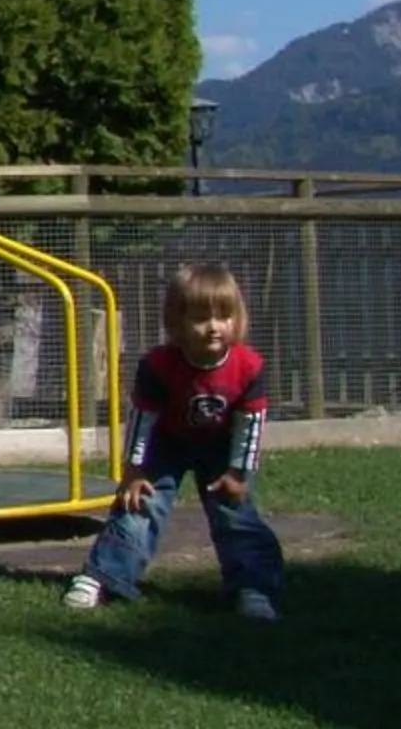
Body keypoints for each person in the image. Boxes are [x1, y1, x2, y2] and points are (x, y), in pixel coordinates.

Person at [65, 263, 283, 620]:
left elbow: (251, 422)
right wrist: (134, 469)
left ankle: (253, 587)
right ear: (177, 323)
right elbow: (141, 420)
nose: (213, 326)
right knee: (141, 504)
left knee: (235, 512)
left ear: (236, 318)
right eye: (200, 318)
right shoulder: (158, 365)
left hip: (222, 444)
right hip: (166, 442)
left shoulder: (249, 366)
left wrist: (239, 472)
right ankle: (102, 575)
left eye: (223, 316)